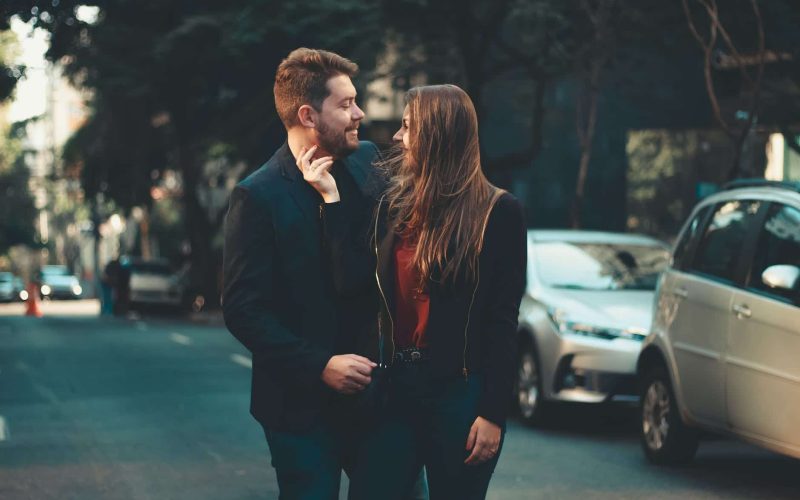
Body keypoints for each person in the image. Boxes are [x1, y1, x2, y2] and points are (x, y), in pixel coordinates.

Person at [303, 84, 527, 499]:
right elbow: (353, 281)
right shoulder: (394, 205)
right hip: (395, 388)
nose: (397, 137)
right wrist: (330, 201)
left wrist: (493, 414)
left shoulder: (499, 212)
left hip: (460, 395)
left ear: (436, 134)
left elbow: (502, 320)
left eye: (408, 127)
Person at [222, 48, 385, 498]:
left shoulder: (370, 162)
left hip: (377, 399)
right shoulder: (258, 195)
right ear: (309, 115)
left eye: (356, 100)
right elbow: (242, 309)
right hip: (299, 410)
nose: (360, 113)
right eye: (346, 104)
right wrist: (319, 366)